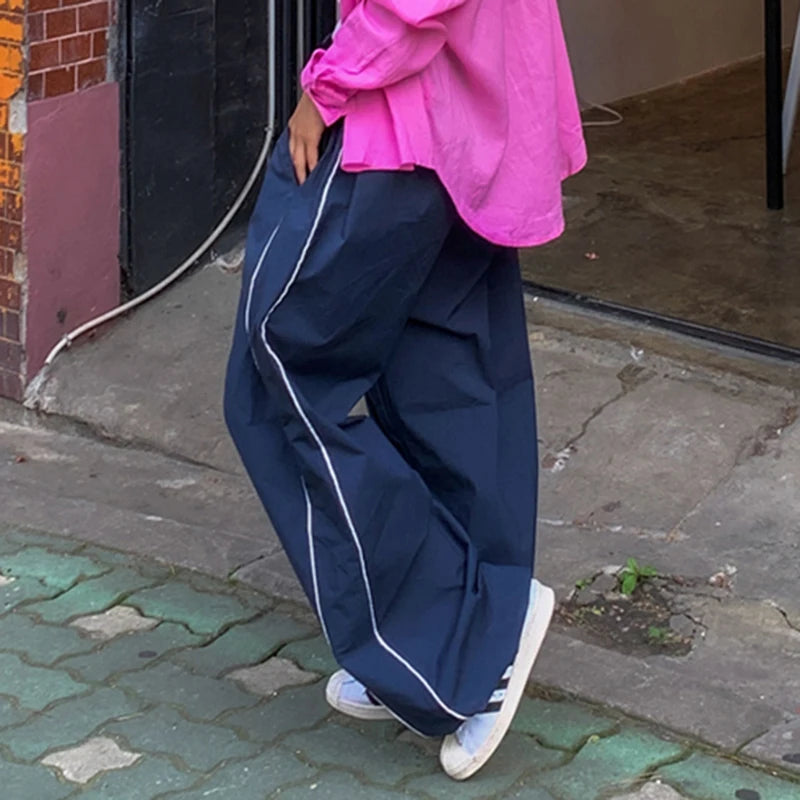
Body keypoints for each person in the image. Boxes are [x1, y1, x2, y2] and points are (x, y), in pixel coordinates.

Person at [224, 0, 586, 780]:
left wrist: (325, 87)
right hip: (464, 120)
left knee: (281, 370)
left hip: (393, 118)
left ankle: (446, 633)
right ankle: (467, 637)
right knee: (443, 380)